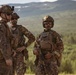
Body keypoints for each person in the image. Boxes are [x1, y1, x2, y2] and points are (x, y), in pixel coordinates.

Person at [0, 5, 14, 75]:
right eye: (8, 14)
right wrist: (7, 58)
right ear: (1, 14)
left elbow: (8, 42)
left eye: (11, 14)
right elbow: (2, 43)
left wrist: (12, 51)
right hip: (2, 59)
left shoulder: (5, 26)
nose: (10, 16)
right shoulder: (1, 26)